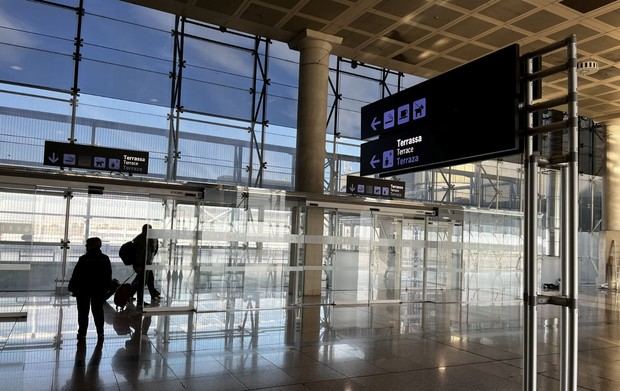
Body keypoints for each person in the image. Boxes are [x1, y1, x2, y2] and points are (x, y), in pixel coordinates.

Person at [68, 237, 112, 343]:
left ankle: (82, 332)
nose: (86, 247)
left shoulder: (83, 259)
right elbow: (108, 275)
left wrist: (72, 287)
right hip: (99, 290)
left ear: (91, 246)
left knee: (83, 312)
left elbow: (76, 275)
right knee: (98, 311)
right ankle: (100, 332)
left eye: (87, 245)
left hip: (83, 290)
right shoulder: (105, 259)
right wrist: (107, 288)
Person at [132, 224, 160, 308]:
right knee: (142, 282)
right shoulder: (153, 238)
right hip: (145, 264)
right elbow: (154, 251)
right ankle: (140, 302)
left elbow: (136, 254)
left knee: (147, 280)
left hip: (143, 264)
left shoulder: (139, 238)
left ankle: (151, 295)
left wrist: (137, 265)